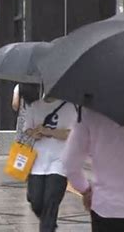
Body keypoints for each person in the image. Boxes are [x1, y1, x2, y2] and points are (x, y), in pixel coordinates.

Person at [23, 96, 76, 232]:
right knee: (36, 201)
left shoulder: (69, 107)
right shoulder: (33, 105)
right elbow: (27, 129)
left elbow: (71, 134)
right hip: (37, 162)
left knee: (51, 200)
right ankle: (49, 222)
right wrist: (34, 133)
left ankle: (47, 226)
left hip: (59, 161)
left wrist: (49, 132)